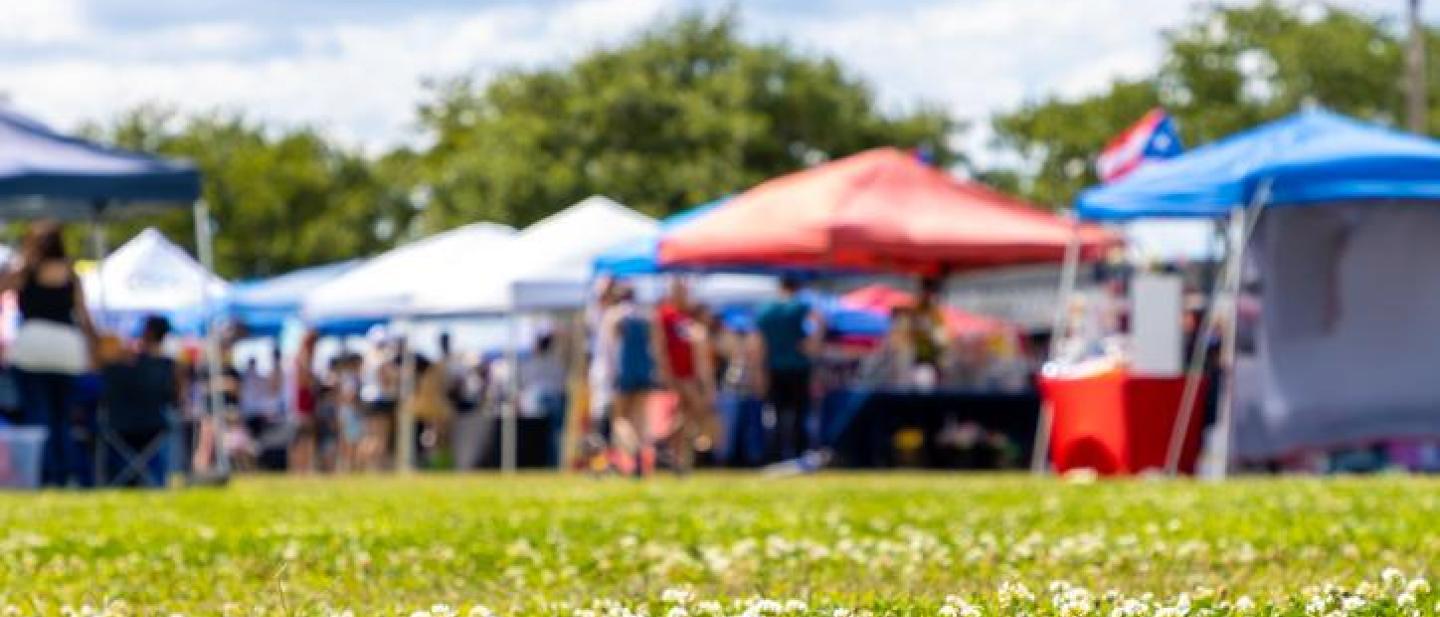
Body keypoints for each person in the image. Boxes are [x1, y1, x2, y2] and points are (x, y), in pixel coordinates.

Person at [1, 221, 97, 486]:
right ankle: (65, 475)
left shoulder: (25, 270)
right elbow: (84, 316)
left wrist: (22, 260)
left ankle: (44, 475)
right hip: (67, 350)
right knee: (63, 419)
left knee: (38, 417)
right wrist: (94, 350)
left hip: (32, 348)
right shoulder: (70, 273)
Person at [99, 315, 180, 487]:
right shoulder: (169, 367)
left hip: (118, 427)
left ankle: (121, 480)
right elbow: (176, 399)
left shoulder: (120, 364)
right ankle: (156, 481)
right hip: (155, 426)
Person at [752, 275, 823, 462]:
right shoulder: (801, 307)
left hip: (773, 368)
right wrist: (811, 346)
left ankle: (774, 455)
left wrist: (759, 372)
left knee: (775, 413)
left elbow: (759, 344)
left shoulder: (765, 311)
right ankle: (799, 454)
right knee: (799, 414)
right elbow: (818, 326)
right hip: (798, 368)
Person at [652, 278, 717, 473]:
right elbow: (659, 345)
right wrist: (666, 372)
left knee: (685, 416)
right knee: (696, 410)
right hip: (678, 374)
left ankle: (677, 457)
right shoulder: (665, 315)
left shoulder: (685, 317)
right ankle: (666, 445)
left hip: (690, 373)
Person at [608, 285, 656, 477]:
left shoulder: (615, 316)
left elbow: (611, 349)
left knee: (619, 419)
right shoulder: (645, 316)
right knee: (638, 419)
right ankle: (639, 461)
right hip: (644, 372)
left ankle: (634, 452)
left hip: (624, 373)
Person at [288, 330, 320, 473]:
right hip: (302, 403)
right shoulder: (303, 358)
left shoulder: (302, 358)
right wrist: (314, 382)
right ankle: (300, 469)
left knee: (304, 437)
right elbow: (303, 382)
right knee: (302, 438)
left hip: (304, 402)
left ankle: (303, 468)